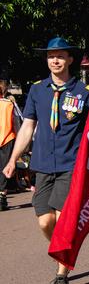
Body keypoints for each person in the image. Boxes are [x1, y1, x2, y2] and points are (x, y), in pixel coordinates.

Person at [2, 37, 89, 284]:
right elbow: (28, 125)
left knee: (63, 219)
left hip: (70, 165)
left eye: (61, 55)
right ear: (47, 60)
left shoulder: (84, 93)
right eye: (51, 56)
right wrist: (13, 159)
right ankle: (64, 252)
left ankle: (62, 271)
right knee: (45, 221)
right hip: (42, 164)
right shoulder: (37, 89)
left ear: (70, 59)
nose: (55, 60)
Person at [0, 79, 21, 211]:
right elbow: (18, 122)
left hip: (7, 138)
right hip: (7, 138)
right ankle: (2, 197)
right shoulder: (9, 104)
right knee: (4, 167)